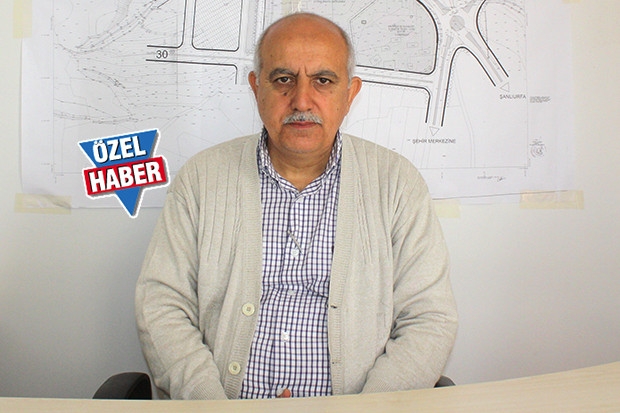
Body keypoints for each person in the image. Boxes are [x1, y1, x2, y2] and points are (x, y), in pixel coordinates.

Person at [135, 12, 457, 400]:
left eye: (323, 81)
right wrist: (212, 405)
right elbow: (161, 305)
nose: (302, 100)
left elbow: (429, 319)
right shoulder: (201, 179)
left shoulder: (397, 184)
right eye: (283, 79)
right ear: (256, 88)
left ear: (350, 93)